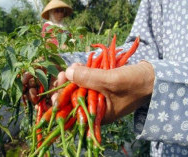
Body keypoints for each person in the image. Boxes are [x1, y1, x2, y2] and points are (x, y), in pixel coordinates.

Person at [25, 0, 188, 156]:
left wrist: (157, 80)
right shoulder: (48, 28)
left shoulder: (65, 29)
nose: (60, 13)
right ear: (51, 13)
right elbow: (144, 48)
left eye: (61, 10)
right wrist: (65, 61)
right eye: (57, 11)